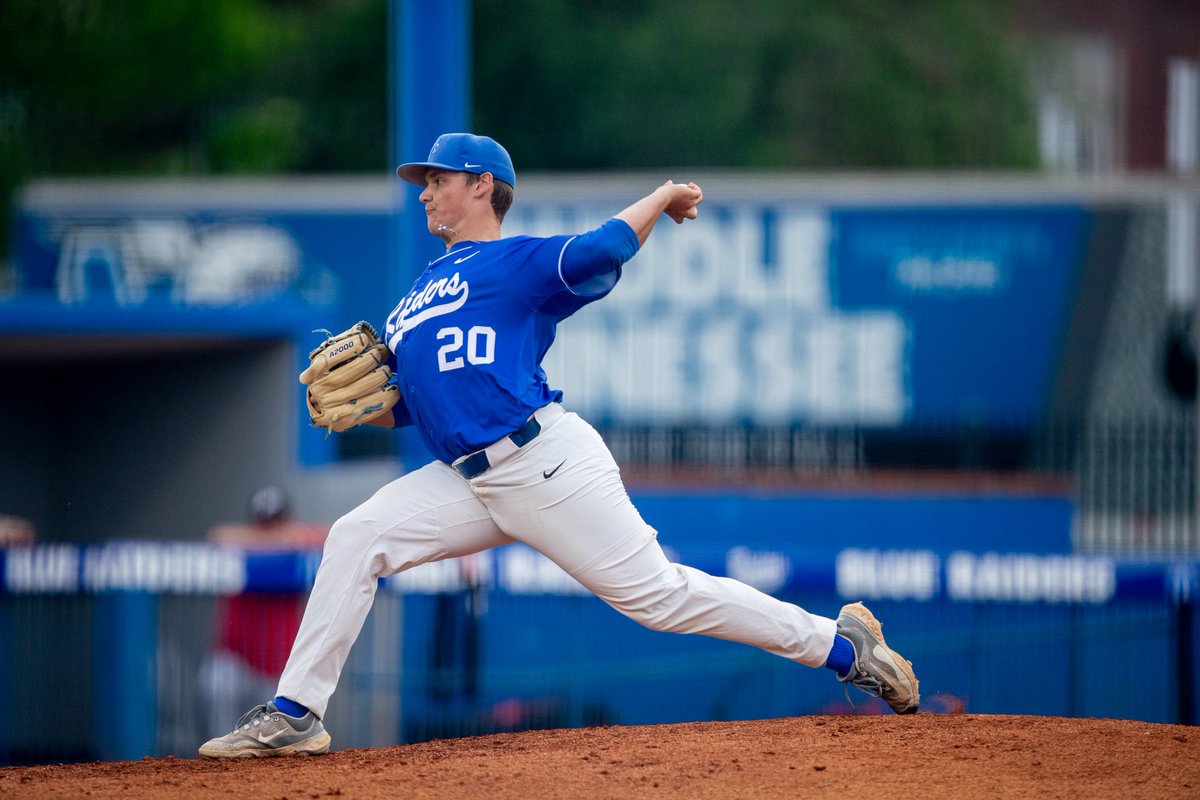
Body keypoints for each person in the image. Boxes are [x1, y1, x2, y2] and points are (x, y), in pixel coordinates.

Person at [199, 133, 919, 759]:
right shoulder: (413, 296)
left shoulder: (517, 264)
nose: (425, 193)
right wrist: (368, 415)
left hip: (545, 463)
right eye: (424, 183)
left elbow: (605, 248)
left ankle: (842, 645)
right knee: (357, 536)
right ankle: (295, 713)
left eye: (438, 180)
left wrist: (660, 196)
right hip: (464, 479)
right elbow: (417, 407)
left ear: (482, 186)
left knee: (661, 598)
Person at [201, 486, 330, 738]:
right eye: (264, 523)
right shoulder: (237, 543)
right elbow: (218, 535)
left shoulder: (300, 544)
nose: (269, 530)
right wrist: (272, 543)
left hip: (278, 666)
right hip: (235, 659)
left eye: (275, 523)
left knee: (277, 734)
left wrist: (288, 540)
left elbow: (331, 535)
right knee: (216, 686)